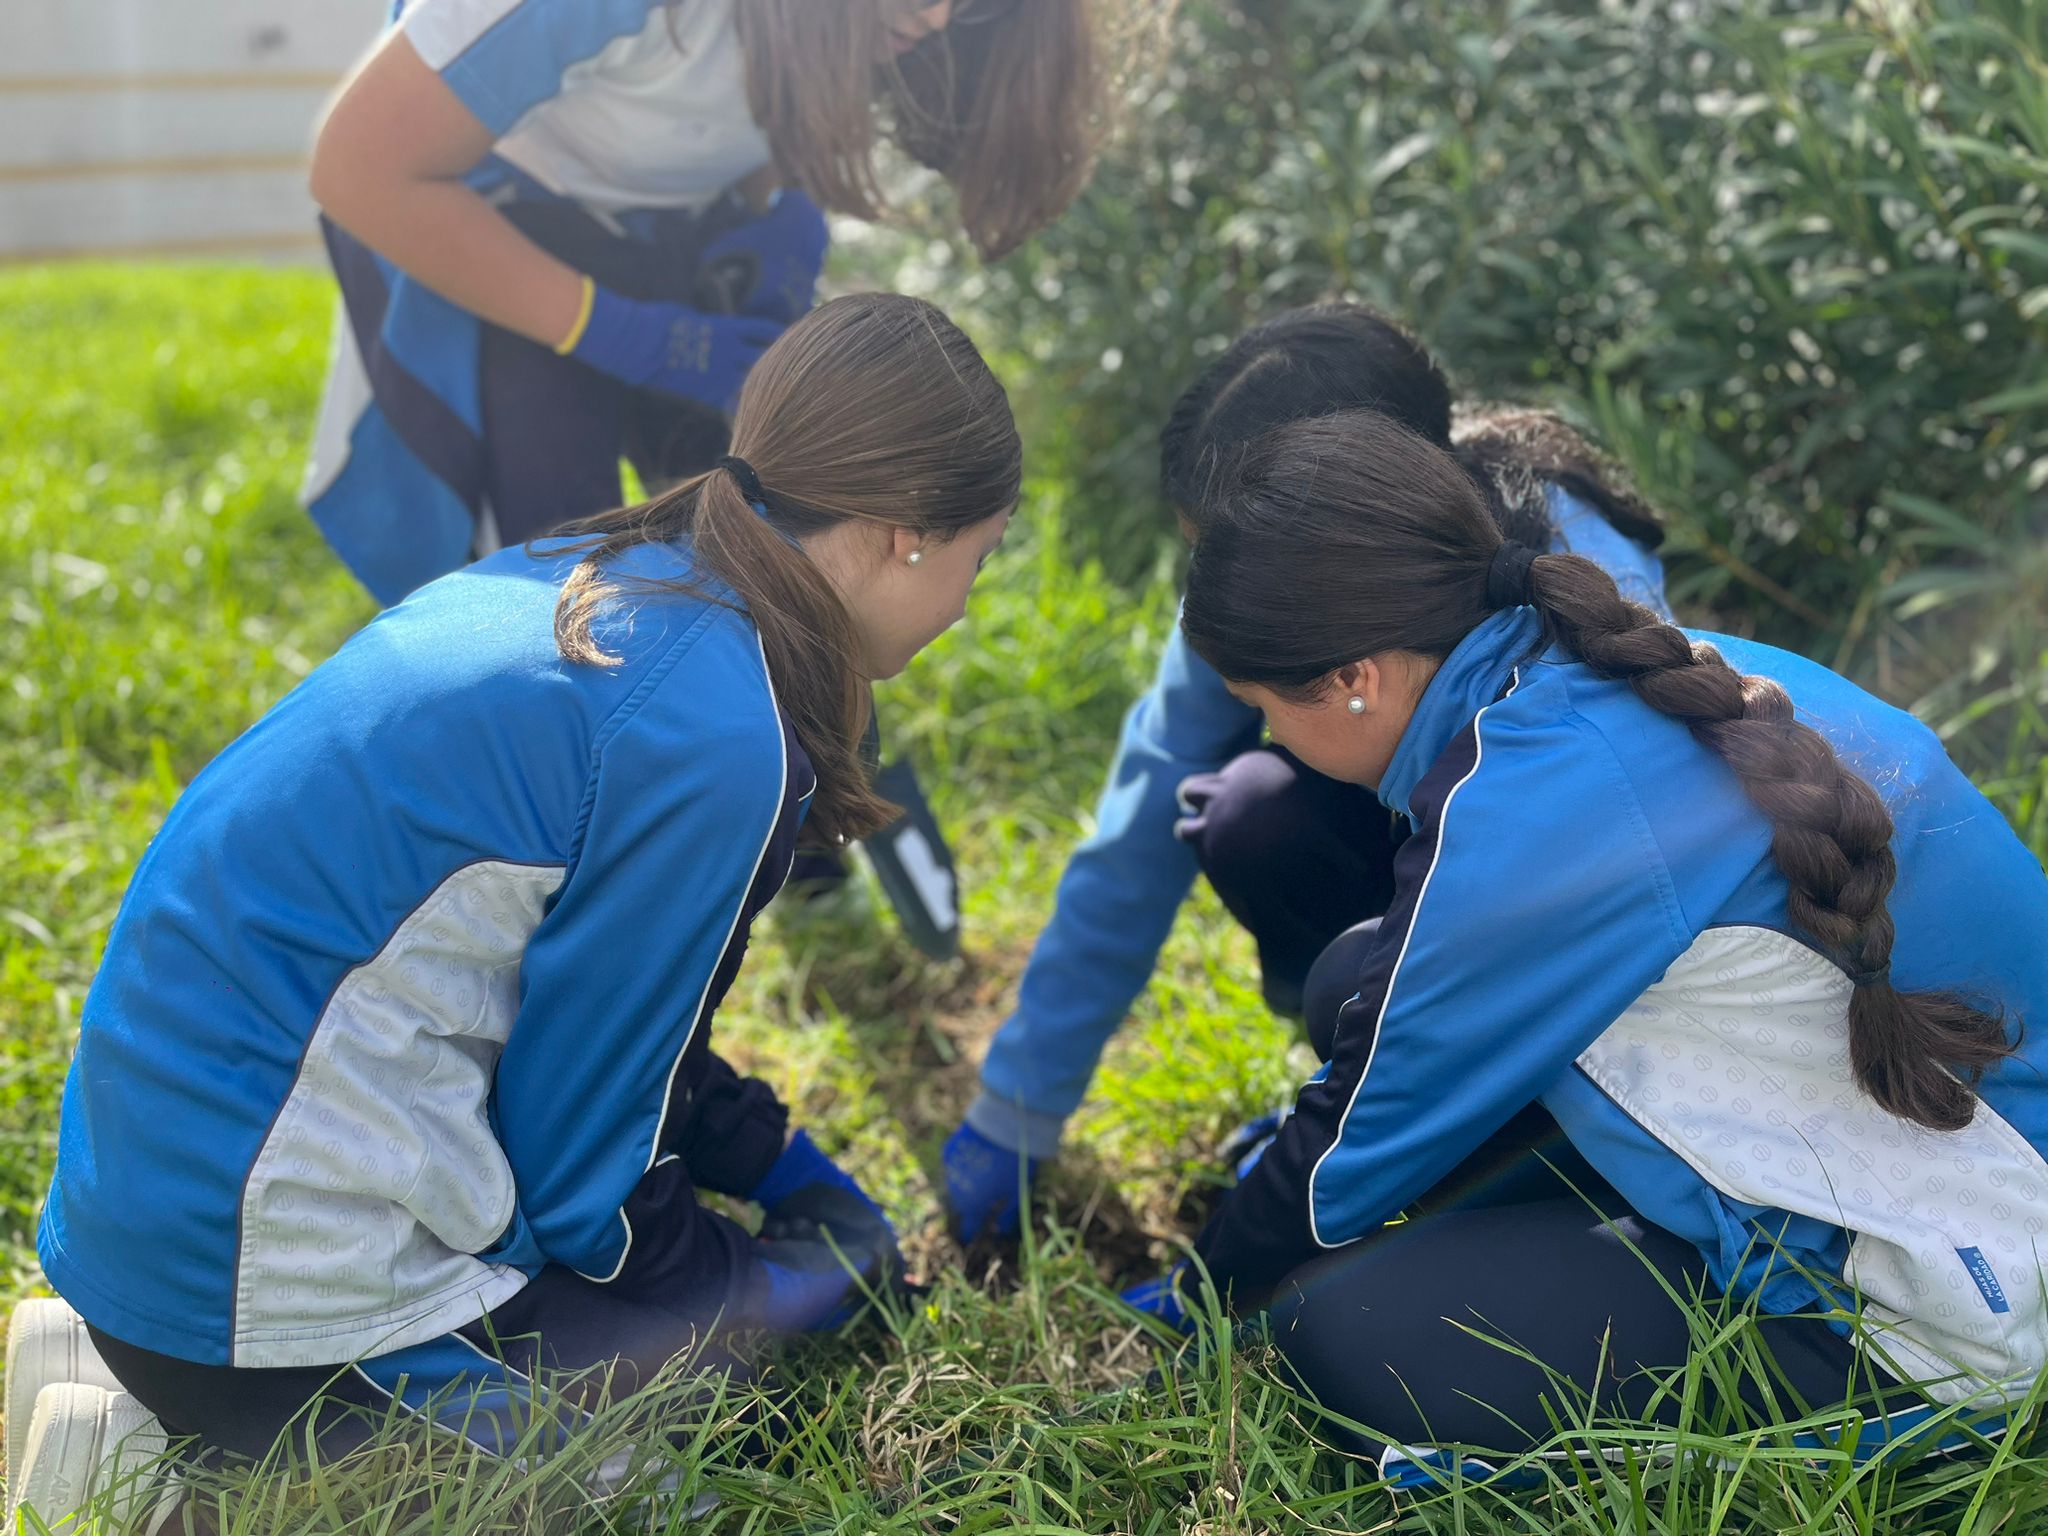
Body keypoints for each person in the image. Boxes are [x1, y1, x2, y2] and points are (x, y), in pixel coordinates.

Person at [22, 294, 1019, 1492]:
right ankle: (152, 1492)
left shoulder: (603, 575)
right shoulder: (714, 737)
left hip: (155, 1223)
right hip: (263, 1295)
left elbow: (603, 1038)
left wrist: (773, 1163)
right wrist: (771, 1291)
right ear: (910, 533)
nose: (967, 601)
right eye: (982, 555)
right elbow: (584, 1182)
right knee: (683, 1484)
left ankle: (95, 1384)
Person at [1123, 409, 2048, 1479]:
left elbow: (1340, 1147)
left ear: (1351, 680)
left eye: (1262, 708)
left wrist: (1187, 1316)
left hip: (1956, 1294)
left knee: (1334, 1333)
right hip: (1941, 1148)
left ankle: (1903, 1408)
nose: (1268, 739)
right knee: (1350, 982)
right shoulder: (1577, 674)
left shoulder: (1523, 800)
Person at [943, 304, 1672, 1237]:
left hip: (1571, 918)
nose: (1219, 585)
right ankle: (1353, 1078)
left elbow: (1616, 879)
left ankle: (1502, 1137)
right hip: (1412, 863)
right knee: (1254, 815)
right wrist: (1016, 1109)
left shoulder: (1571, 570)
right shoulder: (1261, 584)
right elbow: (1140, 825)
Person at [301, 0, 1102, 605]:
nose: (937, 15)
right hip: (483, 249)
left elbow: (734, 104)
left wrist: (778, 210)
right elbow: (357, 170)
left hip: (670, 238)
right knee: (542, 583)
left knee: (771, 556)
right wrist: (631, 336)